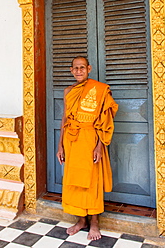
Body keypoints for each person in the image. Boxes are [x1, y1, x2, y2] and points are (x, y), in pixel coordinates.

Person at [56, 56, 118, 240]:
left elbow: (105, 119)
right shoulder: (68, 91)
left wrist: (100, 146)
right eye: (75, 68)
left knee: (92, 182)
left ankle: (95, 223)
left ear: (89, 68)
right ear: (71, 70)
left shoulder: (100, 90)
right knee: (74, 181)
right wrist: (60, 145)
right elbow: (64, 119)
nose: (79, 71)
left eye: (82, 67)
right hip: (72, 140)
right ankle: (81, 220)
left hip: (91, 139)